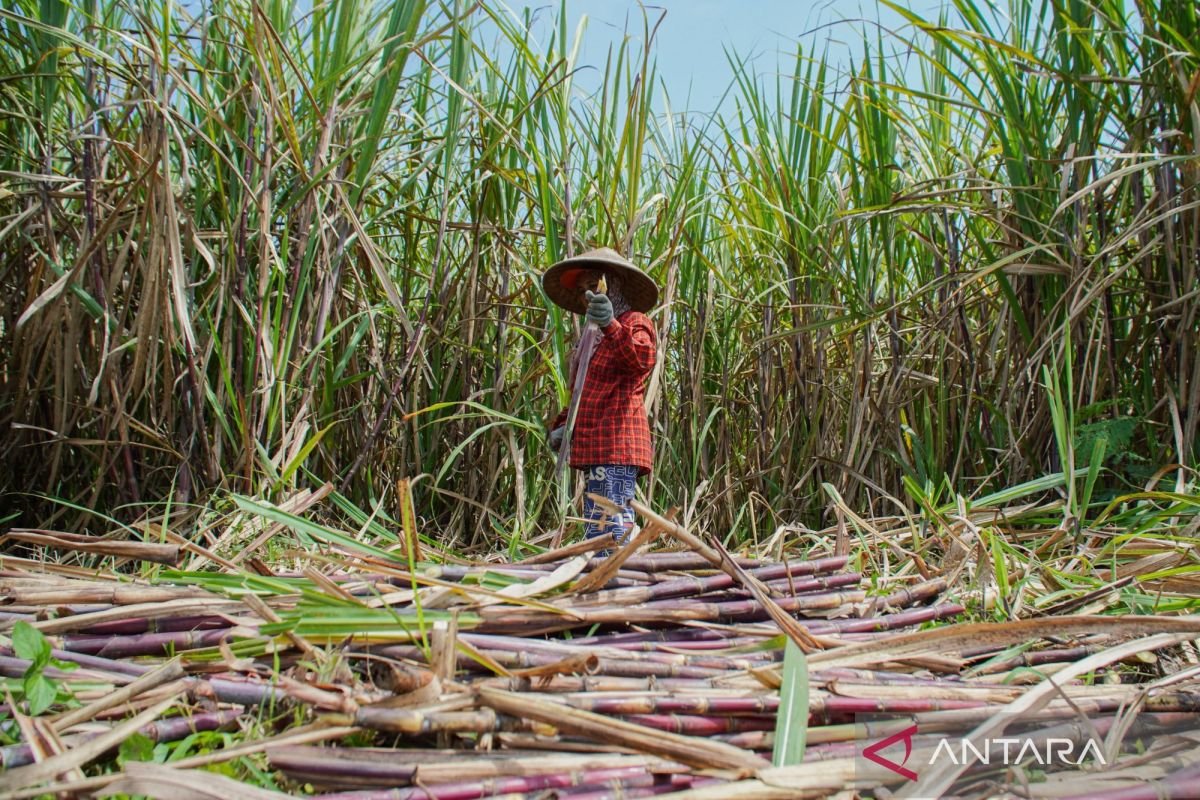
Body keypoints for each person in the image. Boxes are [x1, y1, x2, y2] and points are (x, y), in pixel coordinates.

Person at [542, 247, 659, 547]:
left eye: (594, 285)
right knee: (601, 521)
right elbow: (583, 391)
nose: (587, 295)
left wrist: (611, 325)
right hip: (597, 447)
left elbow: (642, 359)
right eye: (582, 290)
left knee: (608, 527)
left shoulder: (635, 322)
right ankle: (616, 577)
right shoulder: (590, 340)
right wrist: (564, 425)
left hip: (617, 444)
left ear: (614, 286)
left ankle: (613, 583)